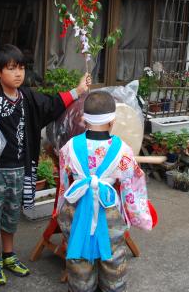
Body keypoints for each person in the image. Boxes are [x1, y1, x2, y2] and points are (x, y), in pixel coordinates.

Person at [0, 44, 91, 286]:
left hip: (19, 168)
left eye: (21, 68)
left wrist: (79, 90)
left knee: (11, 215)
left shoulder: (28, 97)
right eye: (11, 68)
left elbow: (52, 104)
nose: (18, 73)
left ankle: (9, 255)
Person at [56, 91, 154, 292]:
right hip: (108, 210)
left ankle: (81, 286)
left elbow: (64, 184)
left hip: (75, 209)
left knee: (78, 257)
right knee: (113, 258)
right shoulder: (123, 151)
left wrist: (59, 210)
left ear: (84, 119)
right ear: (112, 121)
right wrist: (136, 216)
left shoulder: (69, 147)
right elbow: (131, 187)